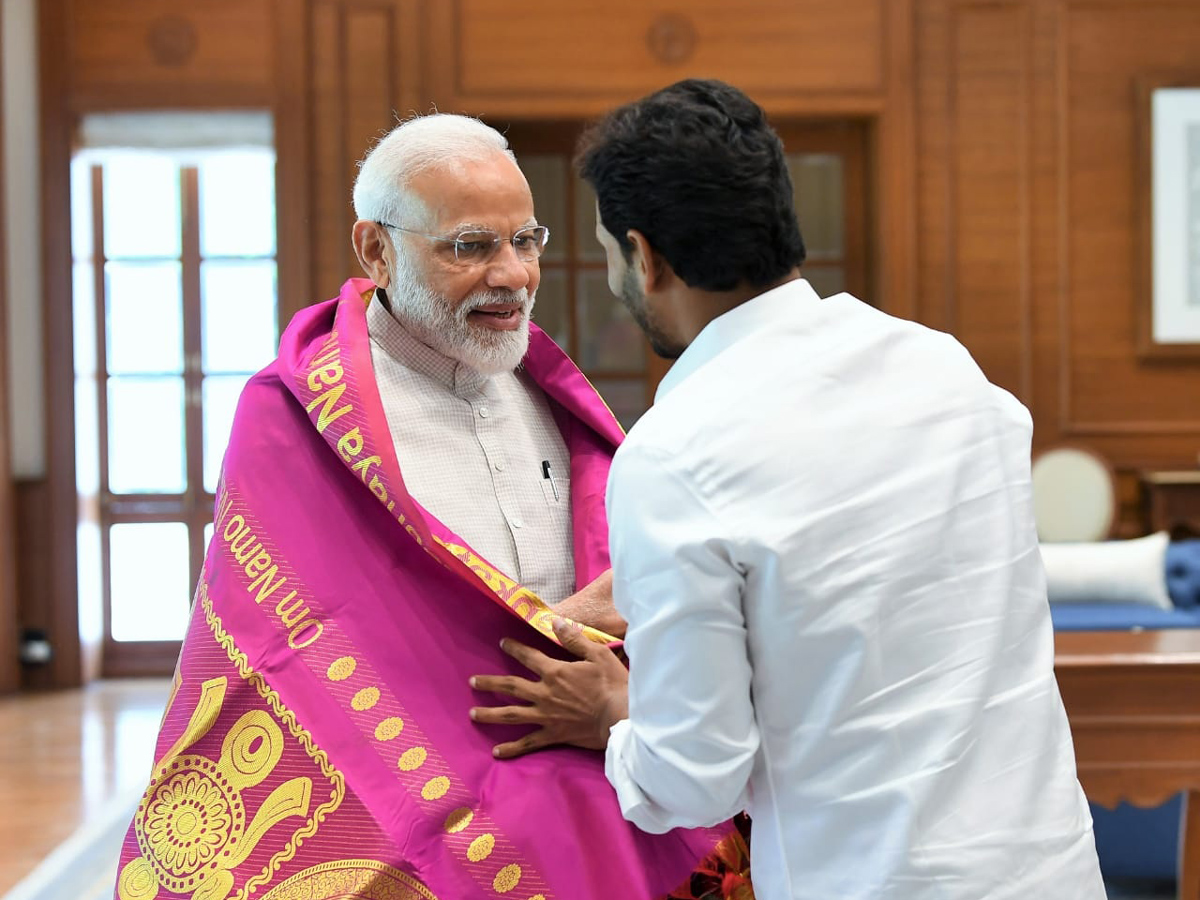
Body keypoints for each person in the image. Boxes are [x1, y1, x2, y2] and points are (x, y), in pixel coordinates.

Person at [471, 80, 1107, 899]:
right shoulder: (945, 367)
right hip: (1049, 866)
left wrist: (614, 715)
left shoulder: (677, 451)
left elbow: (693, 778)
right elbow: (876, 580)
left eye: (604, 252)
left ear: (644, 255)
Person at [111, 114, 752, 900]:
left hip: (597, 781)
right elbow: (296, 650)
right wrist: (553, 626)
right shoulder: (298, 415)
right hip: (403, 819)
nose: (513, 274)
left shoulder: (554, 395)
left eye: (527, 240)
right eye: (470, 246)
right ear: (376, 250)